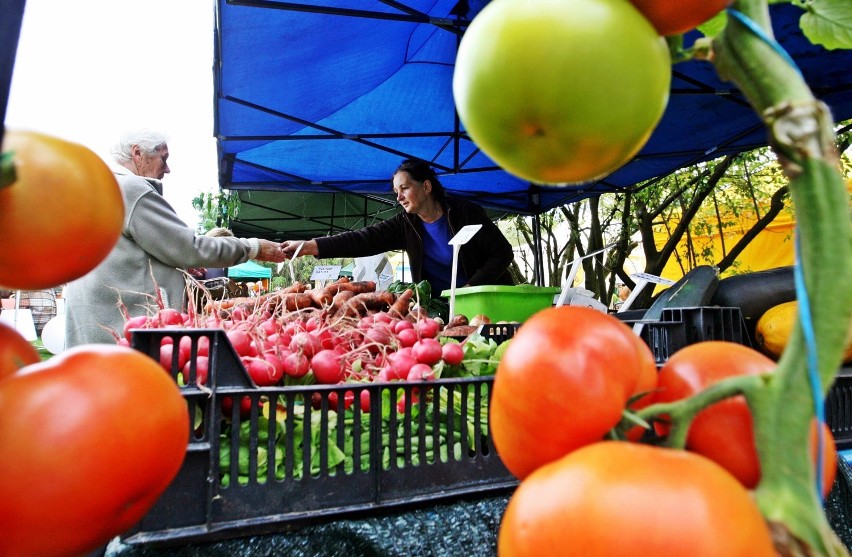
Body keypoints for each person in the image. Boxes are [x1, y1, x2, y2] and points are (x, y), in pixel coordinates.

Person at [64, 129, 288, 347]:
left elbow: (126, 256)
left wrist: (176, 266)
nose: (168, 169)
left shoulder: (93, 189)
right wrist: (253, 247)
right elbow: (190, 248)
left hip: (93, 332)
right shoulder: (130, 190)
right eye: (163, 158)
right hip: (129, 337)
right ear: (138, 154)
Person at [281, 158, 515, 295]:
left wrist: (471, 288)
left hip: (487, 299)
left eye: (404, 188)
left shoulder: (465, 212)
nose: (399, 197)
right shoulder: (406, 224)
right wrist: (311, 246)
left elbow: (502, 252)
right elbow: (364, 239)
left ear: (426, 187)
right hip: (443, 308)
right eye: (396, 192)